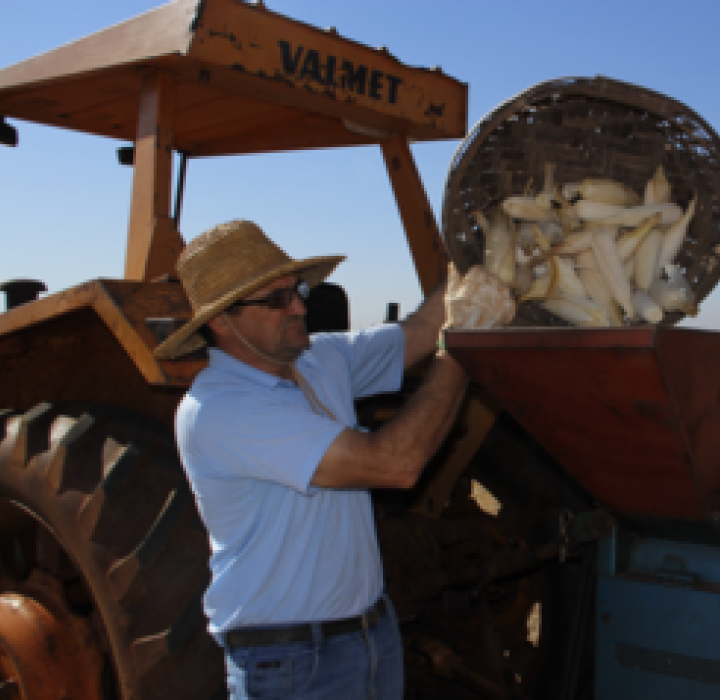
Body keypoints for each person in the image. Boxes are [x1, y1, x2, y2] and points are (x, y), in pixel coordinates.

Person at [153, 220, 514, 699]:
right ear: (222, 321)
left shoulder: (318, 361)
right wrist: (461, 345)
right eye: (276, 300)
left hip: (370, 633)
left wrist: (480, 254)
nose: (299, 307)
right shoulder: (223, 409)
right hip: (293, 663)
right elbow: (394, 464)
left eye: (296, 290)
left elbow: (424, 328)